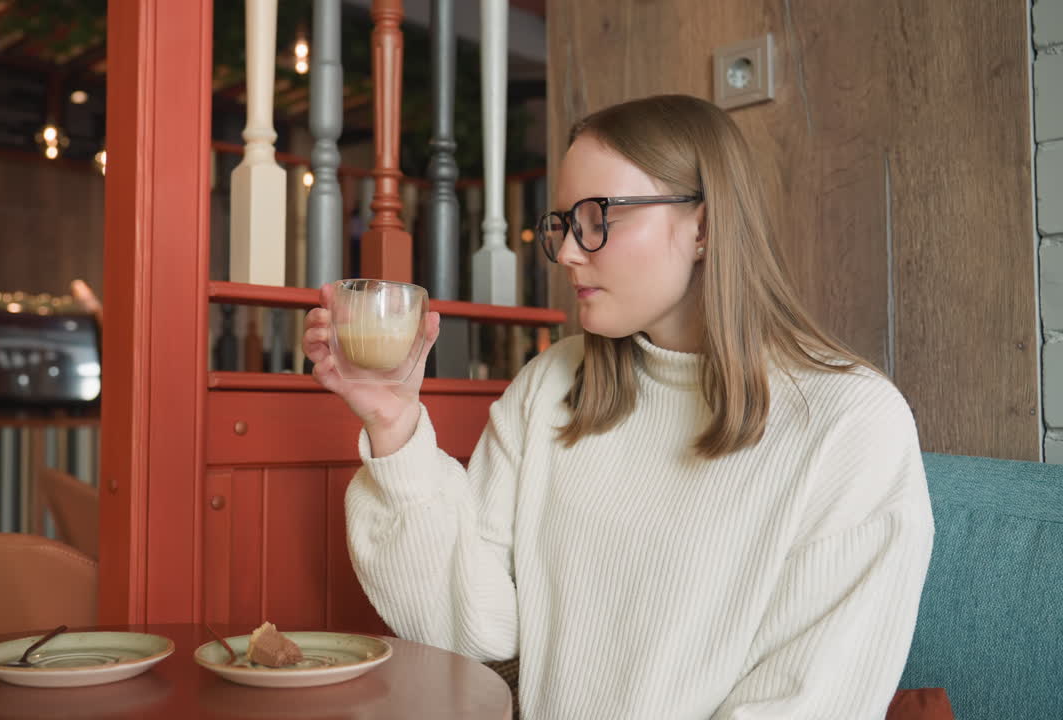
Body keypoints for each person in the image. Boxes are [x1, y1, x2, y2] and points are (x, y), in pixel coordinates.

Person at [302, 94, 934, 719]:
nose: (570, 252)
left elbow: (809, 701)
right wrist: (394, 426)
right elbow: (474, 630)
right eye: (564, 224)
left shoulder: (851, 424)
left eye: (598, 216)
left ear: (704, 228)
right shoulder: (552, 384)